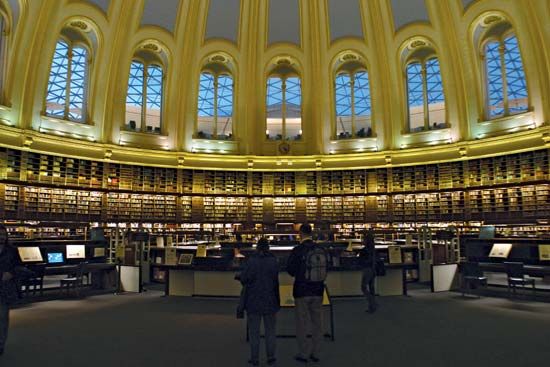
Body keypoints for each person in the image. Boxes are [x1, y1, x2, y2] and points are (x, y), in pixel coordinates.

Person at [287, 223, 327, 363]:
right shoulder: (319, 248)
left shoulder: (298, 250)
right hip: (318, 290)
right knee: (317, 322)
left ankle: (303, 353)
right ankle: (316, 352)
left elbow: (290, 270)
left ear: (301, 233)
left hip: (302, 291)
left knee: (302, 322)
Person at [239, 238, 280, 366]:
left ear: (257, 248)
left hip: (253, 299)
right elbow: (275, 279)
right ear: (268, 248)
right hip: (270, 299)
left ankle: (255, 358)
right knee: (270, 330)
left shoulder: (251, 261)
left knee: (254, 331)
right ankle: (271, 356)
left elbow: (245, 278)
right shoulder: (274, 261)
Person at [0, 224, 18, 356]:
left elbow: (17, 265)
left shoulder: (12, 250)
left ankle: (1, 344)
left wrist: (11, 273)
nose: (1, 237)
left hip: (5, 288)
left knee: (2, 317)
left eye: (3, 235)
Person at [359, 229, 378, 313]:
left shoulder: (364, 250)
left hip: (367, 270)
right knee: (371, 288)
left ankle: (372, 303)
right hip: (373, 269)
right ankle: (372, 306)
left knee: (363, 287)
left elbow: (361, 260)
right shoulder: (373, 249)